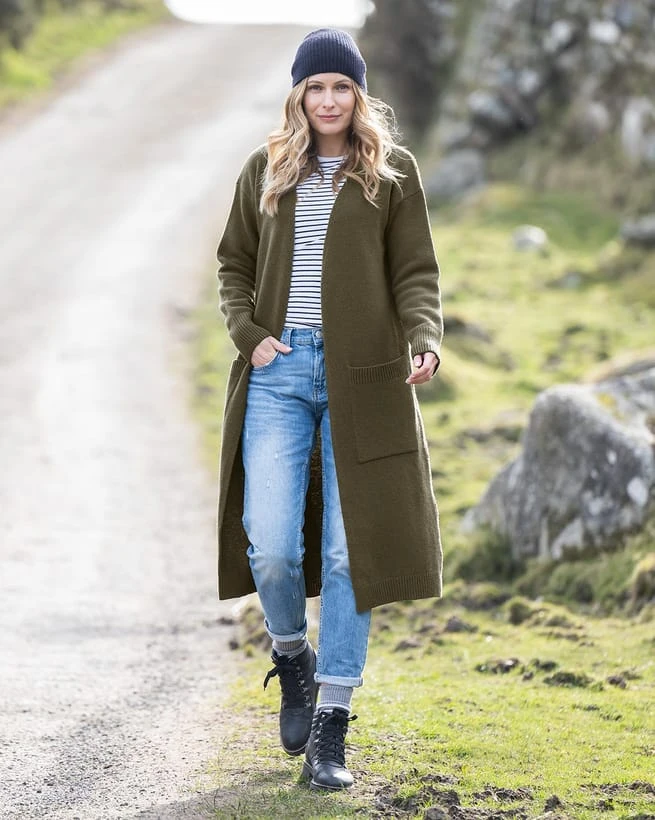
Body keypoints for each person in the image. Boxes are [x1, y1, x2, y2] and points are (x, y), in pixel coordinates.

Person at [215, 27, 443, 791]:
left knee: (353, 557)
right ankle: (292, 658)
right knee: (272, 547)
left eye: (341, 86)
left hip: (367, 380)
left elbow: (415, 272)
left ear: (358, 94)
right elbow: (233, 263)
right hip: (278, 374)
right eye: (315, 86)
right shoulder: (266, 168)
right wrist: (249, 336)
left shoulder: (391, 174)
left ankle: (330, 729)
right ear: (298, 95)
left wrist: (425, 338)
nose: (328, 100)